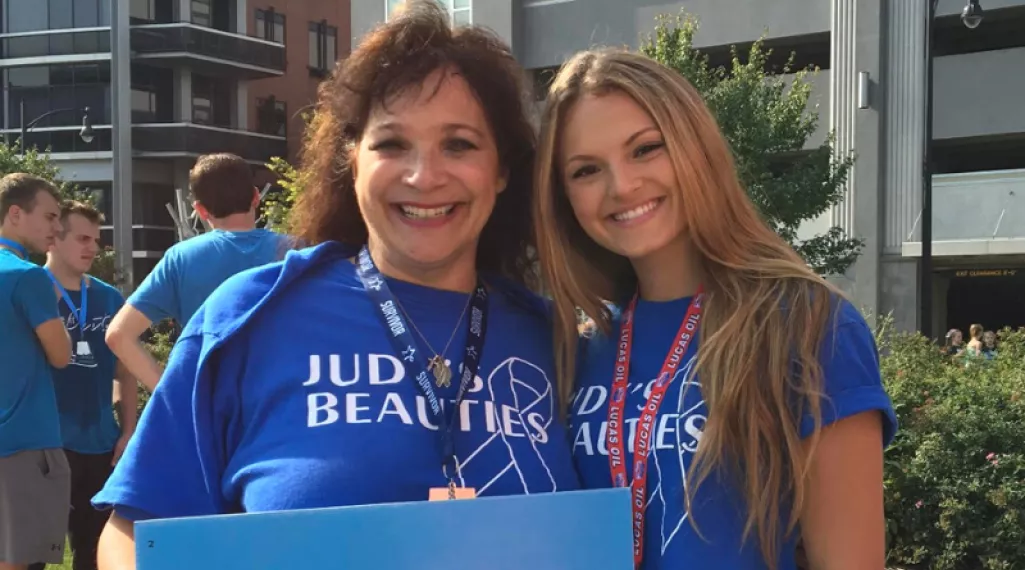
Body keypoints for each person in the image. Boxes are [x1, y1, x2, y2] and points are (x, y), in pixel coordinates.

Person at [93, 2, 579, 568]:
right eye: (392, 144)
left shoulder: (557, 340)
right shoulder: (251, 316)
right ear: (353, 160)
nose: (424, 176)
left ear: (501, 171)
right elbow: (132, 535)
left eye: (460, 144)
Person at [533, 49, 898, 570]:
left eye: (645, 149)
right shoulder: (582, 347)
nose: (622, 186)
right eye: (586, 170)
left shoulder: (810, 324)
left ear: (695, 148)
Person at [104, 152, 292, 392]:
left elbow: (118, 335)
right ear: (256, 197)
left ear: (200, 210)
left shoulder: (181, 259)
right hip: (283, 404)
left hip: (208, 408)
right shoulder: (297, 252)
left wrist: (171, 396)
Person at [25, 202, 139, 570]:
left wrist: (128, 430)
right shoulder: (28, 289)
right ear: (52, 240)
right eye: (82, 239)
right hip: (45, 445)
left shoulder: (108, 297)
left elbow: (125, 370)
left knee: (93, 553)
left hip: (100, 446)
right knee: (33, 552)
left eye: (96, 240)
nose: (91, 248)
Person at [0, 173, 72, 570]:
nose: (56, 228)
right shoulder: (28, 277)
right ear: (15, 213)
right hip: (23, 441)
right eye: (48, 217)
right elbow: (61, 355)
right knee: (18, 560)